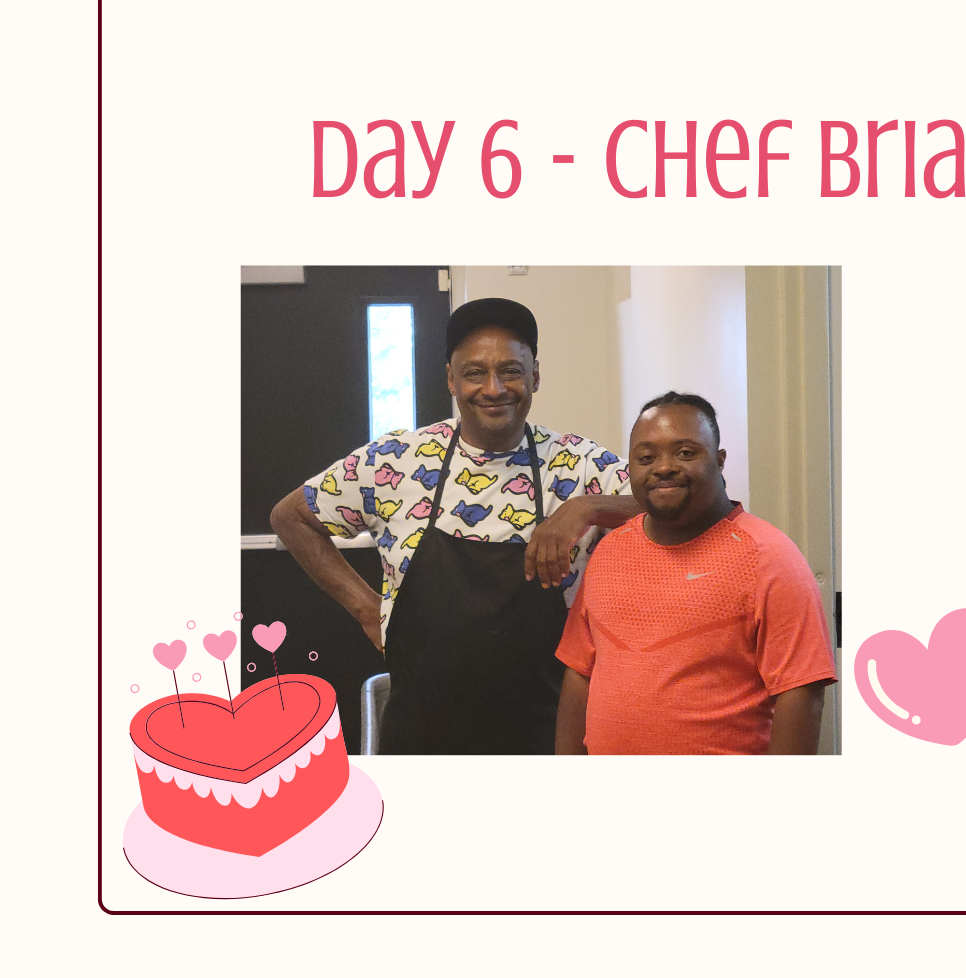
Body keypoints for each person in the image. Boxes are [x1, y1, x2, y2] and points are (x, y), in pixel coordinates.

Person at [269, 297, 640, 754]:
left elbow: (684, 503)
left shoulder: (579, 464)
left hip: (543, 737)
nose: (493, 388)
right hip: (423, 741)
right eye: (473, 372)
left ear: (535, 376)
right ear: (450, 379)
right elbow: (290, 517)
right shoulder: (398, 461)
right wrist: (368, 611)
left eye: (510, 370)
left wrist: (586, 508)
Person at [554, 392, 837, 755]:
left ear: (719, 461)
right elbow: (580, 672)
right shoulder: (609, 551)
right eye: (646, 457)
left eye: (685, 453)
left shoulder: (770, 558)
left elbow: (801, 694)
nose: (664, 467)